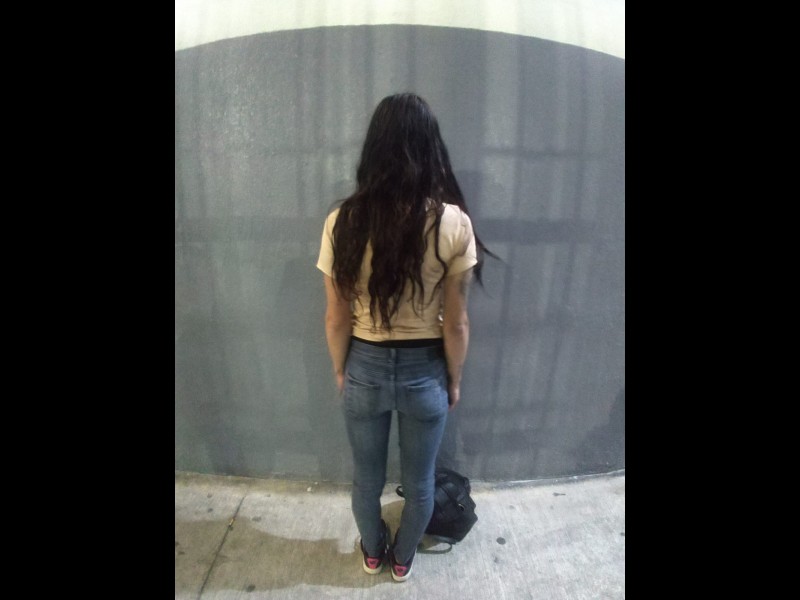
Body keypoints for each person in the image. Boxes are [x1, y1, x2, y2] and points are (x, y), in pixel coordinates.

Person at [316, 93, 489, 582]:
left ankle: (373, 552)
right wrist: (453, 380)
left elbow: (336, 317)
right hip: (425, 370)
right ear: (431, 147)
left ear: (374, 148)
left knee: (366, 479)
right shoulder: (453, 223)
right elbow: (457, 323)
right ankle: (403, 559)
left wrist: (341, 369)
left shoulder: (343, 222)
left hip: (365, 366)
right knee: (419, 482)